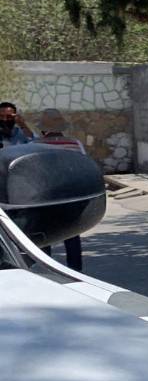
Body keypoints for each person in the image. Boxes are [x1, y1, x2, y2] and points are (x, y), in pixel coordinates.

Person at [35, 109, 86, 272]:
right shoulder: (75, 144)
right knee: (72, 236)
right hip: (70, 197)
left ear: (43, 129)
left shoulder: (35, 146)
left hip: (46, 198)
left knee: (44, 237)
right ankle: (76, 272)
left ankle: (47, 272)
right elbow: (82, 168)